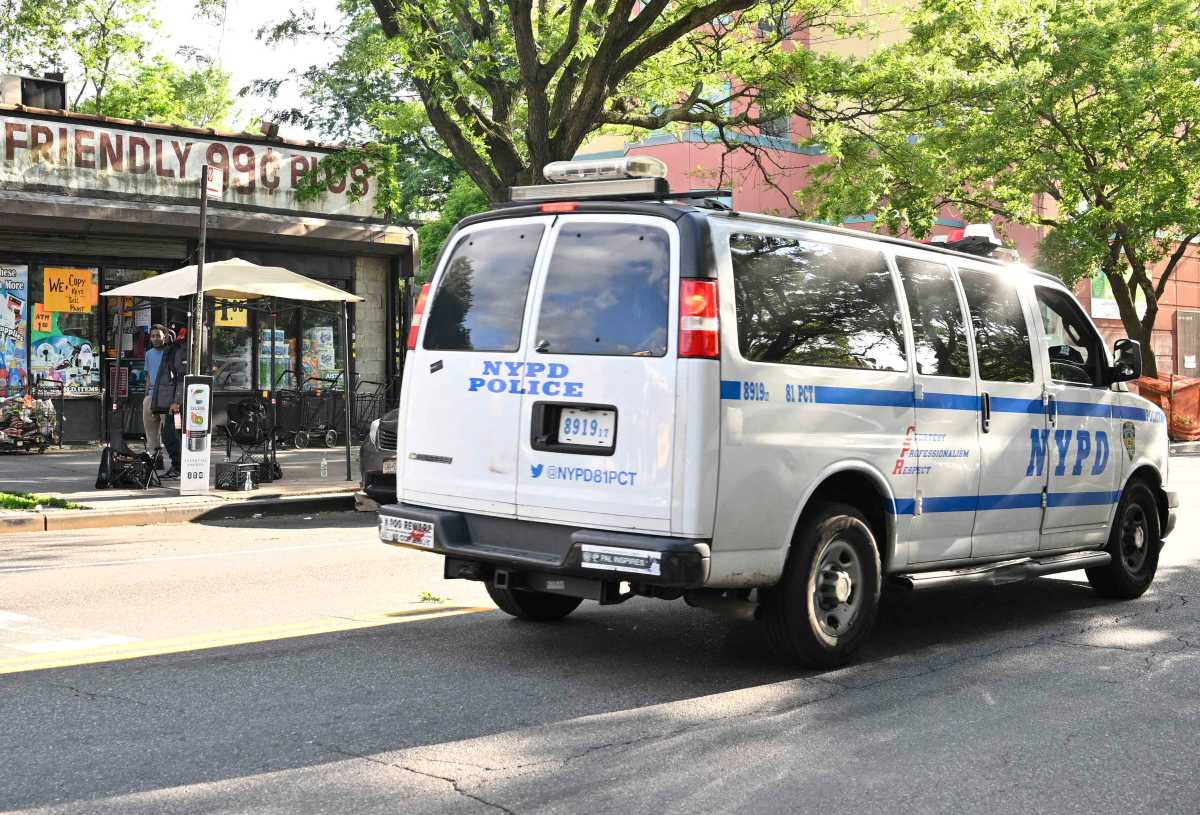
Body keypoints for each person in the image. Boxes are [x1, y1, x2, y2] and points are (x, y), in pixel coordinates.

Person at [149, 325, 188, 479]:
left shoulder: (177, 351)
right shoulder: (171, 350)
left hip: (175, 405)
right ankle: (177, 466)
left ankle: (179, 467)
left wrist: (176, 402)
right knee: (171, 434)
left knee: (171, 434)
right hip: (171, 403)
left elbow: (180, 378)